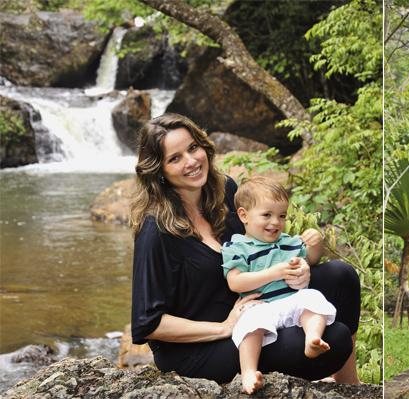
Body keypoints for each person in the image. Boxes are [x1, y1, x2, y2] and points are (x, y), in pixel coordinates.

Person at [130, 113, 361, 385]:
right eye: (175, 158)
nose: (191, 161)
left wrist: (297, 269)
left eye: (193, 148)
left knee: (340, 276)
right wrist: (223, 327)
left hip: (253, 308)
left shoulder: (225, 190)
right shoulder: (156, 229)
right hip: (200, 348)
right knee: (335, 337)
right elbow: (149, 324)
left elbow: (260, 249)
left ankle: (350, 387)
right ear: (159, 170)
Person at [222, 176, 337, 393]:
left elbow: (312, 259)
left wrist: (316, 243)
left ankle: (313, 337)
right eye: (267, 215)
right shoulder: (238, 247)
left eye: (281, 215)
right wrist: (273, 273)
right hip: (261, 305)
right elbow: (235, 282)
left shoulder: (288, 242)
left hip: (290, 302)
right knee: (249, 323)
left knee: (312, 298)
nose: (275, 222)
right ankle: (248, 372)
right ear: (244, 215)